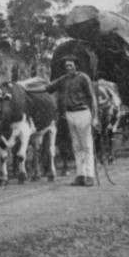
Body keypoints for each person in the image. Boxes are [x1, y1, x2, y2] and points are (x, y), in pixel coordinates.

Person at [46, 57, 100, 186]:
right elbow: (48, 88)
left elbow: (91, 97)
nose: (68, 68)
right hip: (70, 115)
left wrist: (95, 117)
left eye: (70, 65)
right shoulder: (64, 79)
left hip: (83, 113)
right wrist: (24, 88)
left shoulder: (83, 78)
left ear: (76, 66)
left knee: (86, 145)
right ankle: (80, 175)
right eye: (66, 66)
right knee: (76, 146)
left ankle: (90, 176)